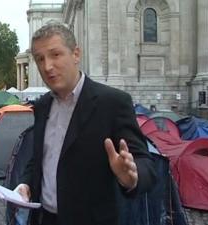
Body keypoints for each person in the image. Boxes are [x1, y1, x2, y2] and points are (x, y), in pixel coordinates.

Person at [14, 22, 157, 225]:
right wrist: (26, 184)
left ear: (76, 54)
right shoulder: (42, 105)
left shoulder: (113, 103)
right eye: (40, 59)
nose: (47, 66)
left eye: (55, 55)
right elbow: (39, 159)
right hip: (44, 219)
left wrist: (132, 177)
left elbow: (146, 164)